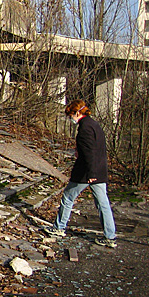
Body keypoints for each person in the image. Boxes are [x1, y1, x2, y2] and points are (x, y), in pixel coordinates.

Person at [44, 100, 117, 248]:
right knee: (103, 204)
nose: (70, 118)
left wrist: (91, 173)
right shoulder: (95, 125)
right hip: (100, 171)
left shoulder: (84, 129)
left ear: (77, 113)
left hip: (86, 172)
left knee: (68, 197)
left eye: (70, 114)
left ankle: (59, 228)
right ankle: (110, 236)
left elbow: (89, 152)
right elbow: (98, 149)